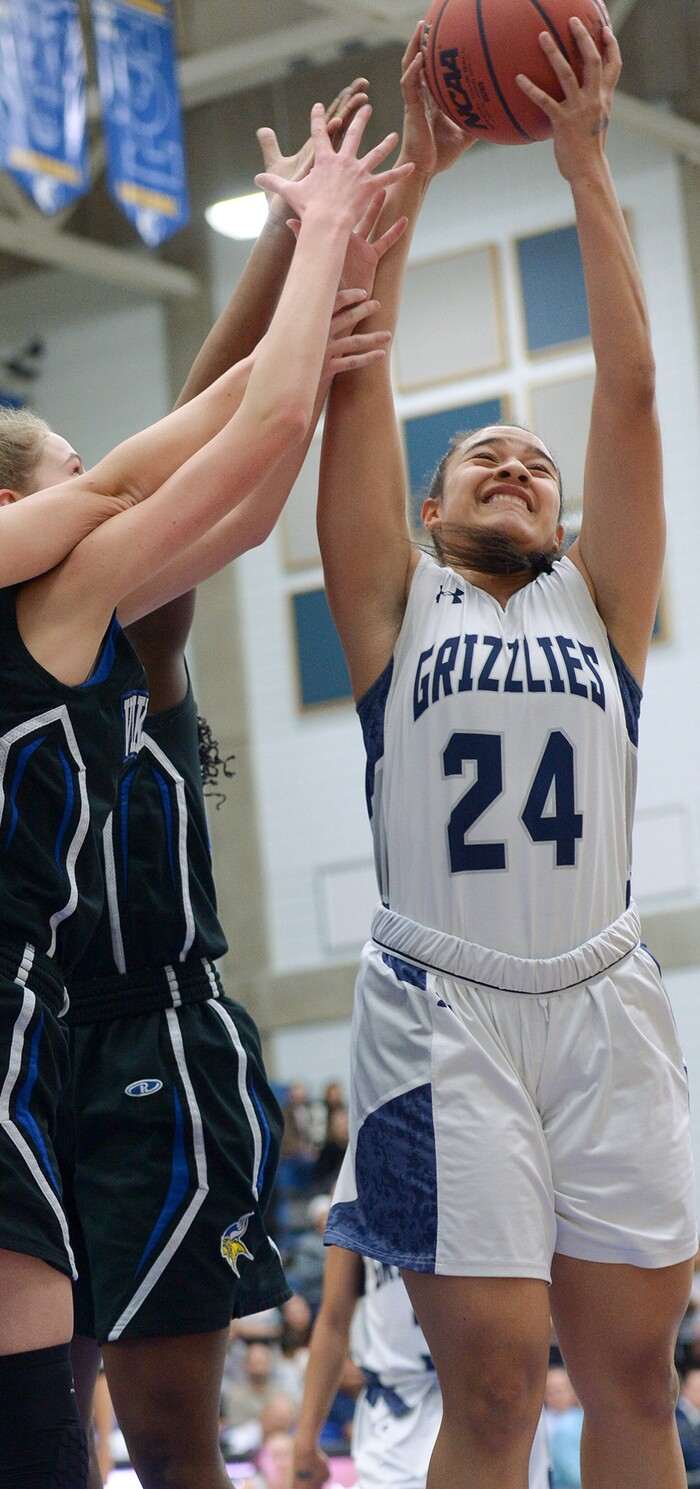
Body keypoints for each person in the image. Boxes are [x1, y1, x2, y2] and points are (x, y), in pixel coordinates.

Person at [0, 102, 412, 1489]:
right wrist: (316, 249)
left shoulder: (137, 631)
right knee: (56, 1414)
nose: (108, 475)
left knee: (147, 1428)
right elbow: (204, 436)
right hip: (51, 1024)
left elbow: (186, 427)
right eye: (70, 472)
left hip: (148, 1032)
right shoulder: (58, 599)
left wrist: (297, 249)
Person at [317, 20, 698, 1489]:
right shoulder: (386, 608)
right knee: (483, 1395)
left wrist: (589, 165)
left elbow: (634, 397)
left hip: (605, 993)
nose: (519, 459)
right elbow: (356, 382)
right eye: (480, 452)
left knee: (636, 1387)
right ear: (425, 509)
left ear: (566, 517)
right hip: (441, 1008)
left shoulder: (605, 606)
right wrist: (420, 173)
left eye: (535, 460)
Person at [293, 1245, 550, 1489]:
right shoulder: (358, 1197)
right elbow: (332, 1322)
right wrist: (304, 1442)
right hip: (398, 1408)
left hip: (497, 1399)